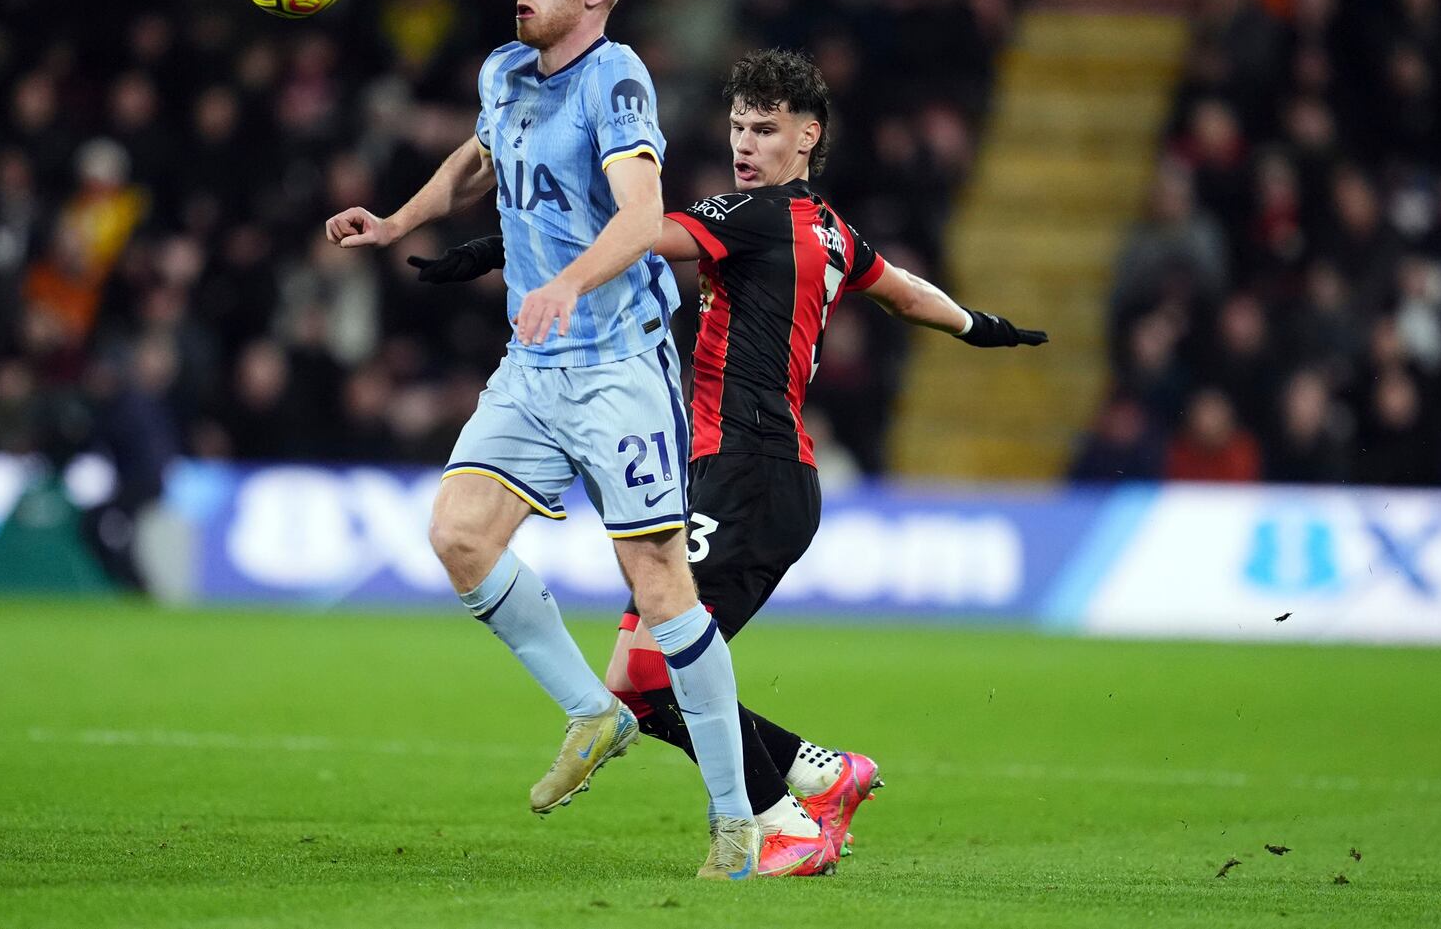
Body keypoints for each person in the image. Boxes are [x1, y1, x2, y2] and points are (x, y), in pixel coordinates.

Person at [412, 49, 1047, 875]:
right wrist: (979, 325)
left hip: (750, 468)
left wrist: (498, 245)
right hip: (754, 472)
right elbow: (903, 290)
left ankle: (787, 815)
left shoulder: (748, 214)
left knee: (645, 674)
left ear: (808, 135)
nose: (746, 143)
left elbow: (638, 234)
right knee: (645, 675)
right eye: (740, 126)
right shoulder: (832, 228)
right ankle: (814, 774)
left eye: (767, 128)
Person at [325, 0, 758, 880]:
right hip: (534, 366)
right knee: (458, 536)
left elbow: (643, 216)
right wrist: (398, 221)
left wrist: (564, 283)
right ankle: (591, 711)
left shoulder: (615, 80)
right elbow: (481, 157)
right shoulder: (503, 72)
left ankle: (736, 821)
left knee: (658, 590)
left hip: (617, 362)